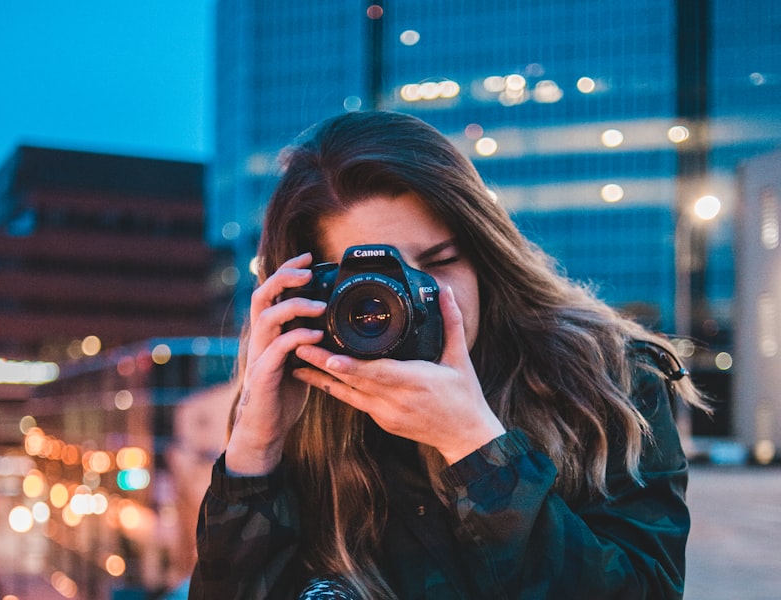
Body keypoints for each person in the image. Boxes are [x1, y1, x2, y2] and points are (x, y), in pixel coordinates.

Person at [189, 111, 705, 599]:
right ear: (314, 294)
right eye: (374, 288)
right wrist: (255, 453)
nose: (416, 299)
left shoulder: (609, 382)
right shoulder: (299, 411)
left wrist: (477, 448)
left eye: (439, 262)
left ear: (484, 253)